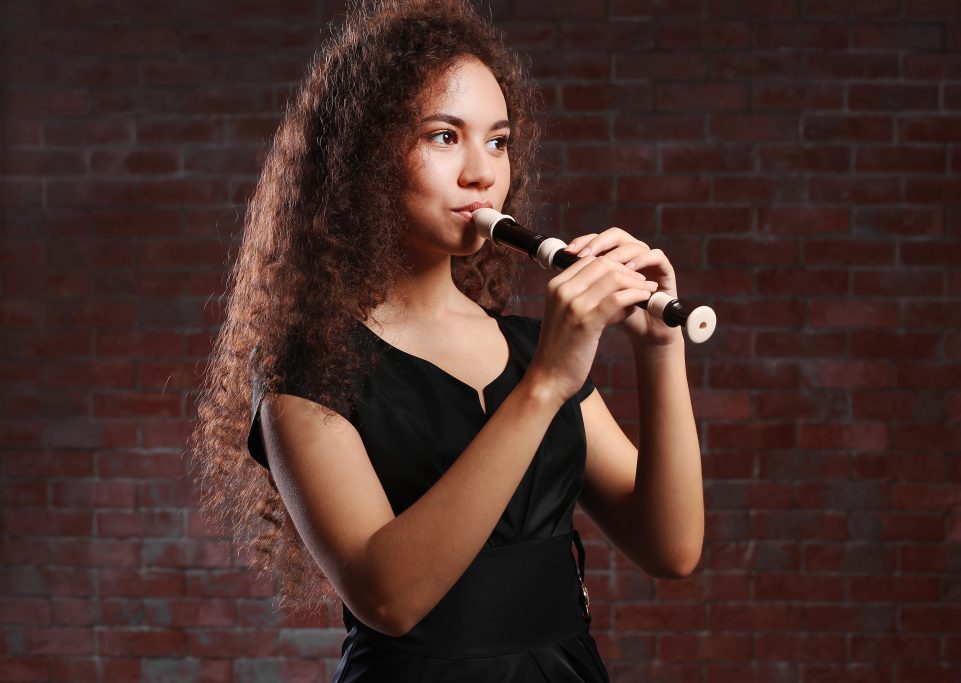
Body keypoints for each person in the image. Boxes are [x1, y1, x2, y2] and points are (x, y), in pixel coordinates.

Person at [191, 1, 704, 681]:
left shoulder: (533, 347)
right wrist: (545, 385)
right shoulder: (308, 370)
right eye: (443, 136)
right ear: (366, 156)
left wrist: (658, 353)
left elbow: (671, 547)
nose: (481, 173)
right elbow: (389, 598)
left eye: (498, 141)